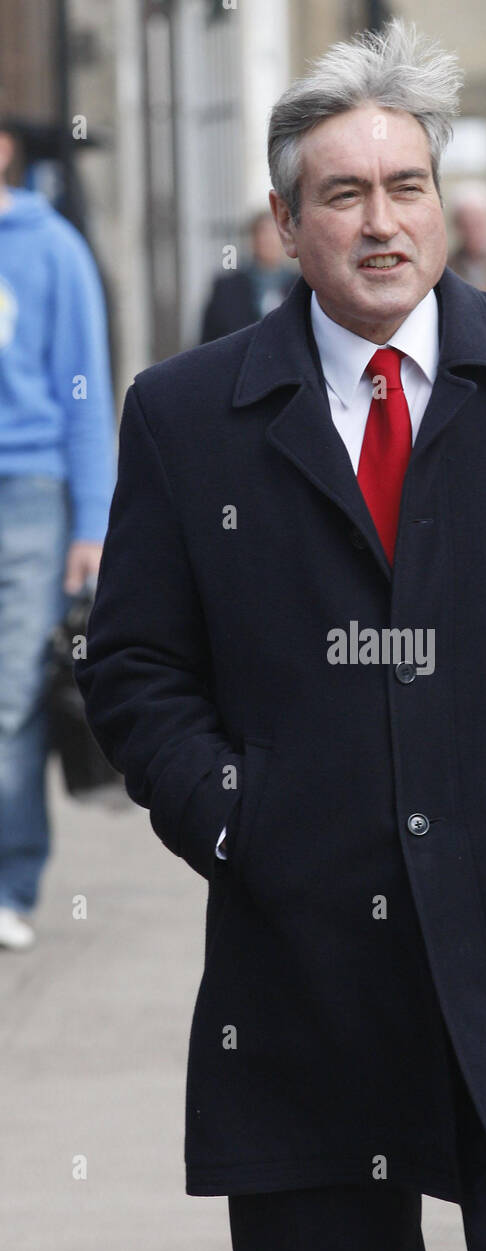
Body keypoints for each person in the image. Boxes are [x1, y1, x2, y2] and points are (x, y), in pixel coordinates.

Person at [74, 20, 486, 1251]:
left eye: (406, 186)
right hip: (302, 979)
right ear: (285, 221)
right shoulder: (185, 414)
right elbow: (135, 660)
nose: (381, 221)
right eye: (344, 194)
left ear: (439, 201)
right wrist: (235, 814)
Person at [0, 115, 114, 952]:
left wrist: (94, 517)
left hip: (28, 490)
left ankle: (11, 880)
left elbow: (86, 389)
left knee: (8, 693)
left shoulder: (52, 248)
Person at [200, 208, 298, 343]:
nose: (268, 241)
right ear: (252, 239)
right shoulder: (227, 288)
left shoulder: (299, 285)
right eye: (262, 234)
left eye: (273, 234)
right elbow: (208, 340)